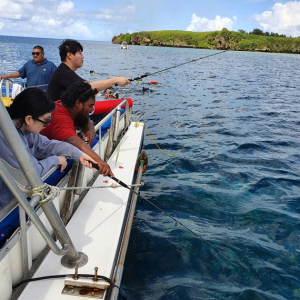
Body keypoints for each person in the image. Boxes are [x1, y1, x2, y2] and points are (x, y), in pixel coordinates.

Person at [0, 87, 96, 210]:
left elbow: (47, 144)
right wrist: (56, 159)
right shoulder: (7, 138)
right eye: (46, 120)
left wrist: (79, 154)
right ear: (29, 119)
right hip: (6, 205)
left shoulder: (22, 129)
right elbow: (33, 173)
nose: (47, 125)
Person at [41, 81, 113, 176]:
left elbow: (85, 119)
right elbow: (73, 141)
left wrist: (90, 131)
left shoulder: (64, 106)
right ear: (78, 103)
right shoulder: (61, 119)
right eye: (90, 106)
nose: (92, 110)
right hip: (41, 169)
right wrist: (99, 161)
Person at [47, 39, 130, 101]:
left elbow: (85, 87)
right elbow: (88, 87)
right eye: (80, 53)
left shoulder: (64, 71)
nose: (82, 56)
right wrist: (115, 80)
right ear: (69, 55)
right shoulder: (64, 73)